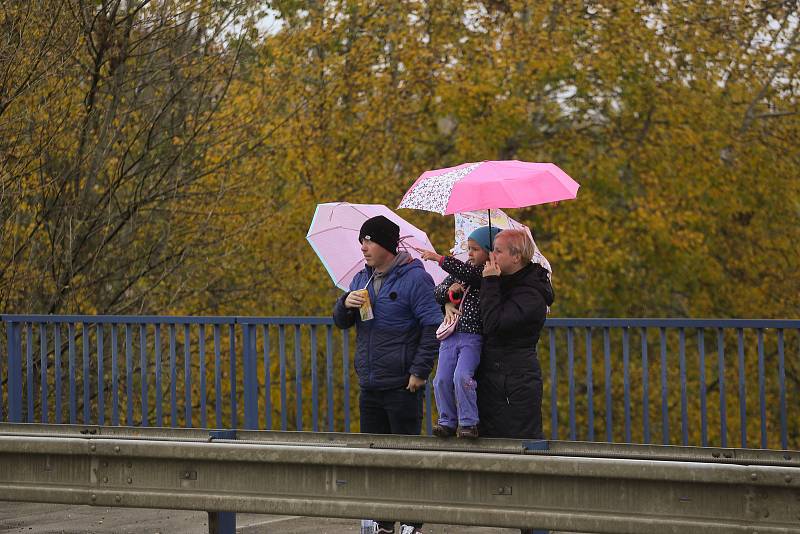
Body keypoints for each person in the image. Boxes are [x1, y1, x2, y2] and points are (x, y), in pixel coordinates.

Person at [333, 214, 441, 534]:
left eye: (369, 241)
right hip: (371, 383)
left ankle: (411, 523)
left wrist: (420, 372)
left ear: (387, 246)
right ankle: (382, 523)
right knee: (375, 459)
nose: (364, 247)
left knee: (406, 459)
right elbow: (342, 322)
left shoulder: (415, 279)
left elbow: (432, 325)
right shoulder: (360, 280)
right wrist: (344, 304)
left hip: (402, 385)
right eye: (362, 242)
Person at [419, 226, 502, 439]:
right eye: (469, 249)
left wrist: (440, 259)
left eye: (475, 249)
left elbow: (472, 275)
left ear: (489, 251)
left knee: (462, 376)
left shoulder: (488, 274)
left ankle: (468, 422)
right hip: (450, 336)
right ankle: (447, 421)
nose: (471, 254)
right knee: (440, 380)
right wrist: (449, 293)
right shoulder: (464, 270)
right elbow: (436, 292)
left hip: (471, 336)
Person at [477, 228, 554, 441]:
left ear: (516, 256)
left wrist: (491, 283)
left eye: (498, 251)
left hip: (515, 380)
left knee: (518, 442)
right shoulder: (503, 281)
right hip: (492, 376)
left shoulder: (531, 293)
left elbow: (493, 324)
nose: (492, 256)